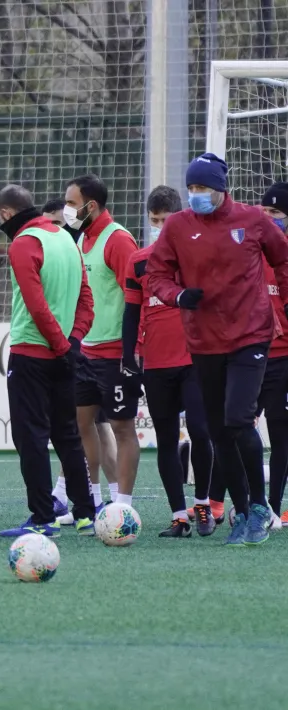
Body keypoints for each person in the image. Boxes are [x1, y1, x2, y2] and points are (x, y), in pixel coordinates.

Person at [148, 152, 288, 546]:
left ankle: (260, 508)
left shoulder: (253, 220)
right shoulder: (177, 226)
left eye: (203, 188)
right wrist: (177, 296)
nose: (196, 195)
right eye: (191, 188)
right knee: (218, 431)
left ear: (221, 189)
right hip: (203, 341)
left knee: (238, 418)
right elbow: (156, 274)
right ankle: (243, 512)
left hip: (251, 336)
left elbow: (284, 258)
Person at [0, 186, 97, 537]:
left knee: (31, 437)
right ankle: (84, 513)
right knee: (67, 435)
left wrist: (61, 345)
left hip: (32, 354)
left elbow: (36, 307)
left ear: (5, 214)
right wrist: (73, 343)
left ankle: (43, 517)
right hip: (63, 356)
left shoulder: (23, 243)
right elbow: (86, 301)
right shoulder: (66, 239)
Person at [122, 185, 215, 537]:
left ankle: (203, 504)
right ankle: (179, 514)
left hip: (194, 358)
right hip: (155, 362)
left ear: (178, 218)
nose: (159, 225)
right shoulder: (139, 260)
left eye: (165, 219)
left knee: (201, 431)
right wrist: (127, 357)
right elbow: (131, 312)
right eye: (154, 220)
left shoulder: (195, 256)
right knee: (164, 440)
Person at [64, 174, 140, 510]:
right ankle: (93, 500)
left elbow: (136, 296)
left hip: (115, 354)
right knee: (81, 425)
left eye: (71, 203)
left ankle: (122, 505)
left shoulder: (118, 240)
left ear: (90, 206)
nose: (67, 210)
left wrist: (132, 350)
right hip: (85, 353)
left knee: (122, 428)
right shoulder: (81, 240)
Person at [44, 194, 119, 523]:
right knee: (84, 425)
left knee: (97, 426)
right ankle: (91, 497)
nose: (54, 229)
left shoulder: (84, 244)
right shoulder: (73, 246)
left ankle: (107, 498)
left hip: (98, 346)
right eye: (50, 223)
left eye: (58, 223)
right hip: (84, 345)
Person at [258, 181, 288, 528]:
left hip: (283, 358)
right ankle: (234, 502)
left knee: (280, 435)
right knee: (235, 426)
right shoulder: (251, 248)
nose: (268, 218)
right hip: (250, 354)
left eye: (276, 213)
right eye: (265, 212)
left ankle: (274, 506)